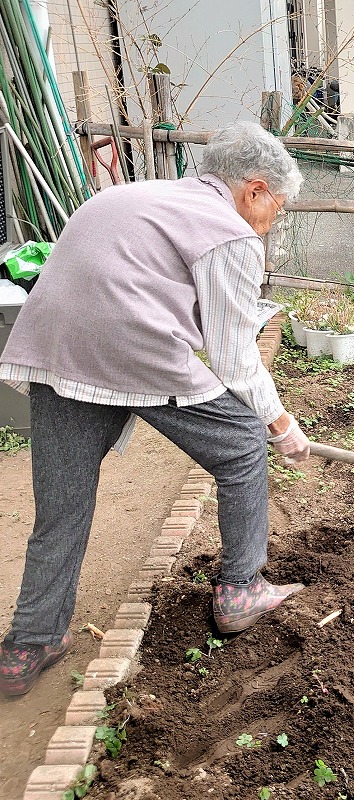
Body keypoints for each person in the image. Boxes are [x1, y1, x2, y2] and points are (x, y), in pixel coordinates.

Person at [0, 121, 311, 698]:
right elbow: (235, 356)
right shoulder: (228, 233)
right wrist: (281, 425)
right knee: (243, 444)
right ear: (255, 189)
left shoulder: (134, 195)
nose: (275, 221)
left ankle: (32, 640)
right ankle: (241, 589)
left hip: (55, 352)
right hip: (129, 352)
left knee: (61, 503)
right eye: (279, 208)